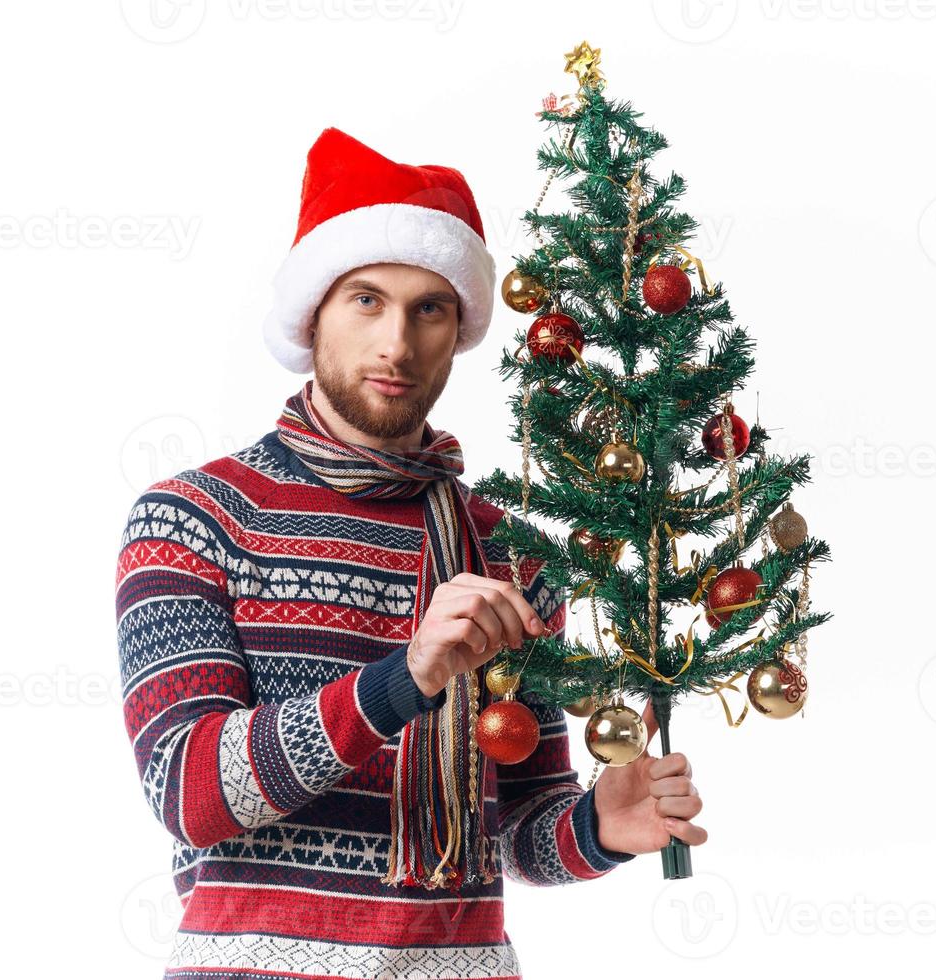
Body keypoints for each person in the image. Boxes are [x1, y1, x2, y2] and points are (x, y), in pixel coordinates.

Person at [114, 126, 706, 979]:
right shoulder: (194, 517)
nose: (396, 343)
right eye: (366, 300)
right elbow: (190, 792)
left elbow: (513, 834)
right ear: (313, 308)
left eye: (428, 308)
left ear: (457, 327)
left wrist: (596, 827)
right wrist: (407, 677)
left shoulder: (509, 550)